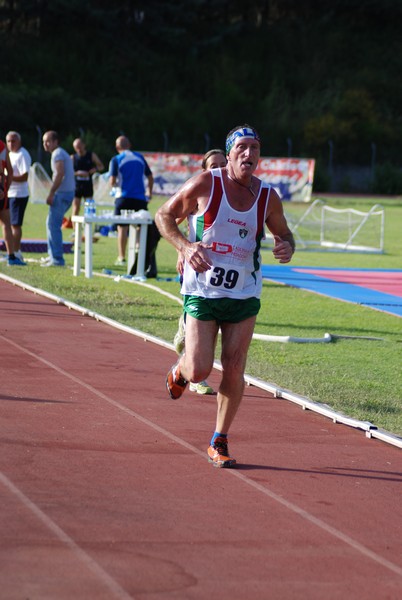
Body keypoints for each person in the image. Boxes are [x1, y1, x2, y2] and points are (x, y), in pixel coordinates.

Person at [155, 124, 295, 468]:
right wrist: (186, 247)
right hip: (203, 291)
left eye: (255, 149)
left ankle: (219, 438)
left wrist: (286, 245)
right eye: (242, 148)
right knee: (200, 370)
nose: (249, 154)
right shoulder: (207, 183)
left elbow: (285, 232)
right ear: (229, 152)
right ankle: (181, 370)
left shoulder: (267, 197)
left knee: (234, 366)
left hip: (244, 292)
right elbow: (163, 215)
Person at [174, 148, 228, 396]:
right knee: (199, 325)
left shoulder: (235, 193)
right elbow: (173, 221)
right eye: (212, 165)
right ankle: (193, 367)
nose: (217, 169)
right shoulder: (200, 191)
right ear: (204, 170)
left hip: (226, 274)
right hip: (196, 269)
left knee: (215, 326)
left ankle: (198, 374)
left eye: (221, 164)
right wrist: (182, 250)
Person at [109, 135, 154, 266]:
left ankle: (122, 257)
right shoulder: (139, 157)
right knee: (140, 229)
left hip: (123, 197)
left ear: (117, 147)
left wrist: (115, 185)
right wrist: (149, 193)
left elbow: (112, 181)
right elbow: (150, 177)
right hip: (140, 198)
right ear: (129, 145)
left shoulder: (116, 159)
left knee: (122, 228)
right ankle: (137, 257)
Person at [41, 130, 75, 267]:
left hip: (62, 194)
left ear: (56, 141)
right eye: (43, 141)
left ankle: (57, 259)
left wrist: (51, 193)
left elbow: (60, 174)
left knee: (53, 225)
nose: (45, 144)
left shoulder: (58, 153)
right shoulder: (59, 153)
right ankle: (53, 256)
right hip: (66, 193)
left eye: (48, 141)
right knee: (51, 223)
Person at [63, 137, 104, 227]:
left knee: (89, 207)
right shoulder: (73, 157)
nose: (78, 149)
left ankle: (87, 228)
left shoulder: (91, 155)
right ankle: (75, 229)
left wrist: (92, 171)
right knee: (76, 207)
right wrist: (77, 173)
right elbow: (67, 171)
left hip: (88, 185)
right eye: (76, 147)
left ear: (84, 145)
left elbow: (101, 166)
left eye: (80, 146)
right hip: (77, 185)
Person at [6, 131, 32, 261]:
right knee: (8, 224)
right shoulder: (9, 154)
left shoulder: (23, 154)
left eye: (14, 141)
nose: (11, 144)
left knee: (15, 225)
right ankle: (11, 250)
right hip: (9, 193)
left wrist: (8, 177)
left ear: (19, 141)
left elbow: (24, 176)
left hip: (19, 194)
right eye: (9, 141)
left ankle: (16, 252)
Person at [0, 137, 25, 266]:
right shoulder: (2, 146)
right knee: (6, 224)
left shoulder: (2, 147)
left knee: (6, 223)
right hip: (2, 190)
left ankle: (11, 256)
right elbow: (9, 171)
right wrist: (6, 187)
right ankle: (11, 256)